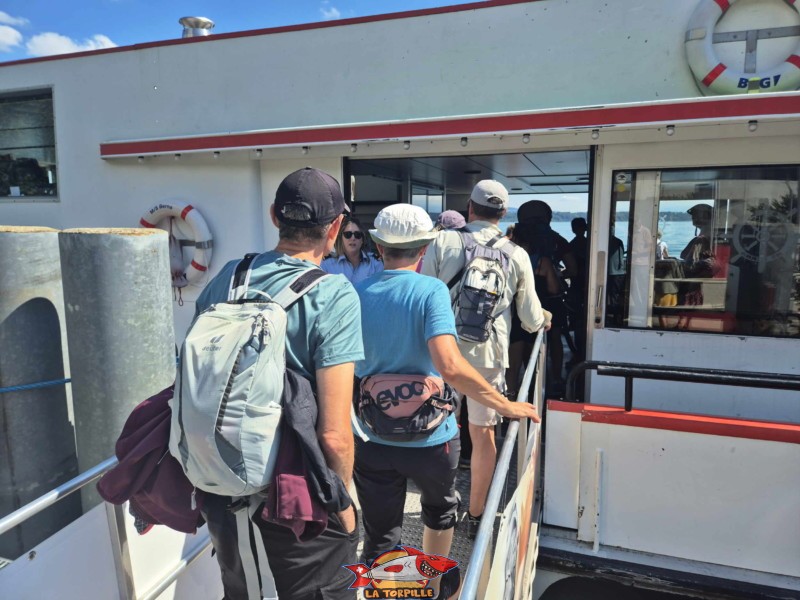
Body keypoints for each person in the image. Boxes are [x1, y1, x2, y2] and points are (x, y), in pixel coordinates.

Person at [353, 204, 540, 599]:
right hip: (431, 437)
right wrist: (504, 405)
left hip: (371, 433)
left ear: (377, 245)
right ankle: (436, 589)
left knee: (381, 531)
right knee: (438, 513)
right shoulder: (430, 290)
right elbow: (451, 367)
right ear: (424, 247)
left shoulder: (356, 292)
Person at [194, 167, 362, 600]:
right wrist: (343, 506)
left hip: (218, 484)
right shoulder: (334, 294)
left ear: (273, 216)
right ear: (336, 227)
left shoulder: (228, 277)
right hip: (297, 497)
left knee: (242, 591)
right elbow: (335, 434)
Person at [422, 180, 548, 539]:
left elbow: (424, 297)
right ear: (503, 213)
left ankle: (440, 507)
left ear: (469, 208)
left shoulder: (442, 242)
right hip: (489, 356)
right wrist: (545, 318)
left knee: (437, 431)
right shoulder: (517, 254)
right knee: (483, 433)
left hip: (442, 354)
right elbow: (531, 319)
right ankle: (477, 513)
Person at [321, 216, 383, 284]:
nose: (353, 238)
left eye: (357, 235)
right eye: (348, 234)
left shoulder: (375, 263)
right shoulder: (327, 264)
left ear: (362, 239)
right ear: (341, 238)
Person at [680, 203, 717, 306]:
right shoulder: (707, 235)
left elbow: (687, 260)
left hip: (695, 281)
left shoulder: (701, 238)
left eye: (695, 215)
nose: (693, 218)